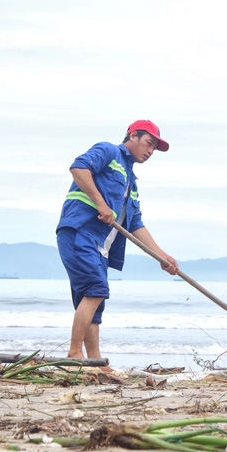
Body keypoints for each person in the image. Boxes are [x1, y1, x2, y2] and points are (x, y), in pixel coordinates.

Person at [56, 120, 179, 369]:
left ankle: (96, 362)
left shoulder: (131, 181)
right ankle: (73, 354)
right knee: (96, 289)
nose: (151, 151)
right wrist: (101, 203)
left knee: (95, 302)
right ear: (133, 135)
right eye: (149, 143)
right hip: (80, 232)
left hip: (102, 246)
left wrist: (162, 257)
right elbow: (78, 168)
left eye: (154, 148)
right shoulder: (109, 152)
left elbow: (136, 225)